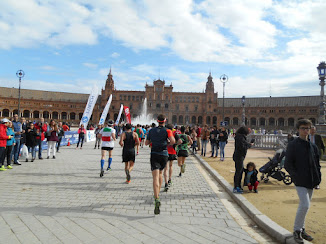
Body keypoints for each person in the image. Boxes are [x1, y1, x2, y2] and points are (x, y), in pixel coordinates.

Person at [285, 119, 321, 243]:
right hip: (300, 180)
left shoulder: (313, 146)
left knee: (305, 206)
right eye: (303, 128)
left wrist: (318, 177)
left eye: (307, 128)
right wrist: (295, 176)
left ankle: (302, 229)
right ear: (298, 129)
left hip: (311, 179)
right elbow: (288, 163)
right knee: (305, 204)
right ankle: (296, 230)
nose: (305, 131)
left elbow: (317, 163)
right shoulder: (293, 144)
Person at [145, 114, 175, 215]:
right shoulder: (168, 130)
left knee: (155, 177)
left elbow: (146, 143)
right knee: (161, 174)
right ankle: (159, 191)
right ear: (165, 121)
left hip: (154, 154)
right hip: (164, 154)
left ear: (157, 121)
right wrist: (166, 142)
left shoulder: (151, 130)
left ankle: (156, 198)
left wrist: (153, 141)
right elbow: (173, 141)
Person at [233, 126, 253, 194]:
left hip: (238, 156)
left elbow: (243, 144)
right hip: (239, 156)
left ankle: (238, 186)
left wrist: (248, 144)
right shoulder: (240, 137)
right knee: (239, 172)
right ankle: (236, 187)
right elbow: (242, 147)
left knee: (240, 171)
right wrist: (249, 145)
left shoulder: (239, 136)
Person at [164, 124, 181, 191]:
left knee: (166, 168)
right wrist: (175, 145)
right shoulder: (174, 134)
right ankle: (170, 179)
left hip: (165, 151)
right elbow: (180, 141)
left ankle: (165, 182)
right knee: (171, 166)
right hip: (172, 152)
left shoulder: (164, 133)